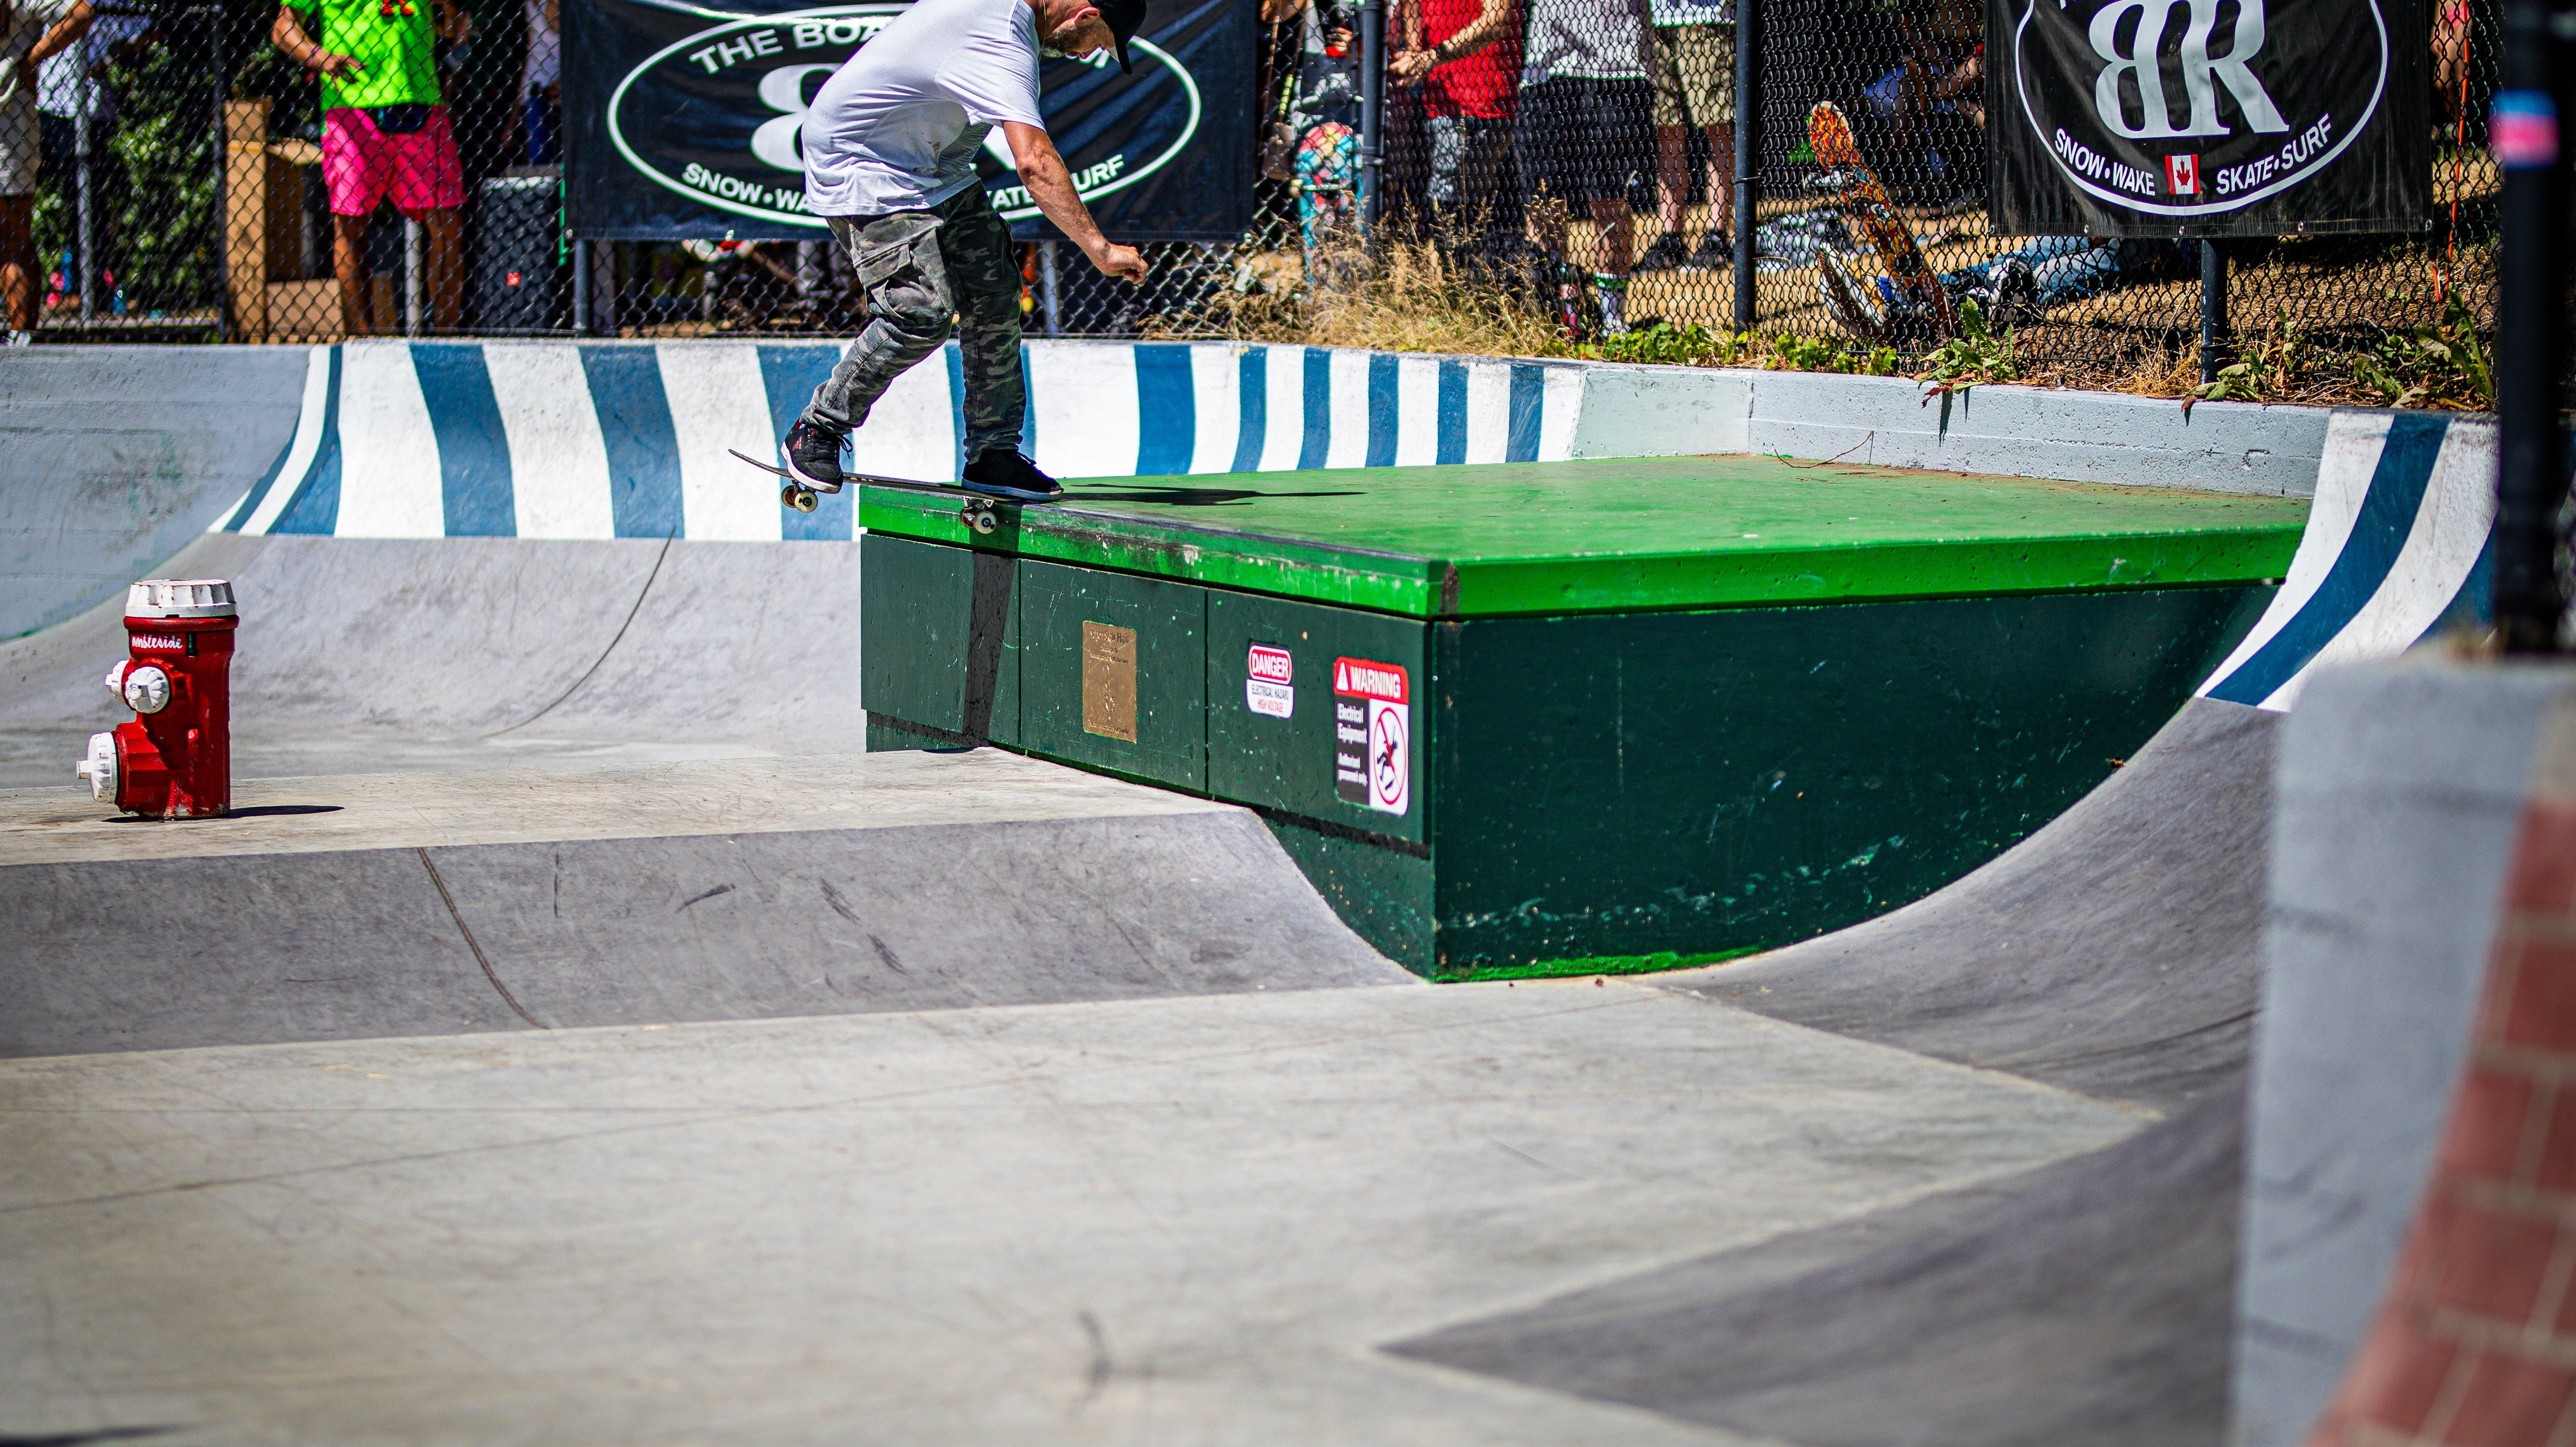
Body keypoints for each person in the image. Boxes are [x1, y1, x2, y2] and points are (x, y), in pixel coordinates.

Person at [781, 0, 1148, 503]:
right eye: (1099, 42)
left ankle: (993, 454)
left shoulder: (1012, 20)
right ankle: (818, 427)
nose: (1088, 55)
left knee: (995, 294)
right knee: (919, 314)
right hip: (863, 162)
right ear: (1084, 16)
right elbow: (1034, 164)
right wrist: (1099, 249)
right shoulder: (1001, 34)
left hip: (934, 167)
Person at [270, 0, 472, 335]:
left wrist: (451, 8)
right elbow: (283, 28)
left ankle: (447, 339)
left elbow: (452, 30)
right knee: (351, 225)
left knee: (449, 223)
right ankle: (362, 342)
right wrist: (320, 57)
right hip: (352, 110)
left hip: (422, 103)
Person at [1513, 0, 1651, 335]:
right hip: (1546, 69)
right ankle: (1560, 312)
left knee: (1608, 198)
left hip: (1616, 63)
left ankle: (1612, 320)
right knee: (1545, 201)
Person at [1391, 0, 1520, 269]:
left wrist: (1430, 57)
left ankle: (1475, 285)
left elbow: (1496, 21)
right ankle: (1456, 285)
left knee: (1477, 214)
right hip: (1438, 97)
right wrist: (1414, 50)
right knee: (1443, 210)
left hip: (1487, 94)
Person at [35, 0, 143, 312]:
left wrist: (107, 59)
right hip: (44, 99)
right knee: (28, 192)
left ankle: (89, 289)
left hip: (88, 107)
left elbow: (145, 28)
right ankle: (67, 284)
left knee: (84, 197)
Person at [1, 0, 92, 345]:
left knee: (11, 231)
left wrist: (32, 59)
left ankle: (21, 340)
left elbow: (81, 12)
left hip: (10, 119)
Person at [1633, 0, 1730, 273]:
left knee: (1717, 123)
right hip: (1658, 17)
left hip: (1704, 15)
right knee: (1667, 127)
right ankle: (1671, 238)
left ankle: (1717, 235)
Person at [521, 0, 556, 164]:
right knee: (538, 159)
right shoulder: (528, 5)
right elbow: (532, 49)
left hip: (556, 80)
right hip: (534, 85)